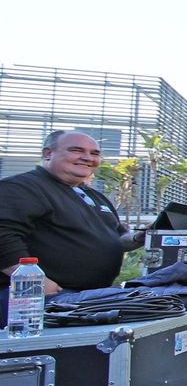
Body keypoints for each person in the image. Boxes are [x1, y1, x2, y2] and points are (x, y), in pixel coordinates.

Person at [0, 132, 143, 312]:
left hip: (87, 297)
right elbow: (3, 234)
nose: (87, 158)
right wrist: (35, 281)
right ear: (48, 153)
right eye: (77, 150)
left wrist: (139, 237)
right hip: (39, 297)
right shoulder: (22, 187)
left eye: (94, 153)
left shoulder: (94, 196)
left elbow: (118, 238)